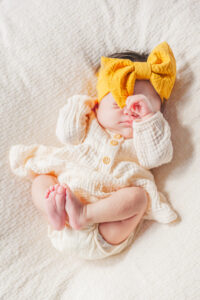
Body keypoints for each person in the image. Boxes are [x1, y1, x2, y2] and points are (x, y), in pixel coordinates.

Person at [9, 41, 178, 260]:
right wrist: (82, 104)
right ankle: (52, 208)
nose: (129, 112)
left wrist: (147, 121)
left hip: (105, 230)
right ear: (98, 105)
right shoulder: (89, 127)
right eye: (118, 103)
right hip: (64, 212)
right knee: (41, 180)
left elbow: (158, 156)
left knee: (139, 198)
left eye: (141, 107)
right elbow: (66, 135)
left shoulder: (144, 140)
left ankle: (84, 213)